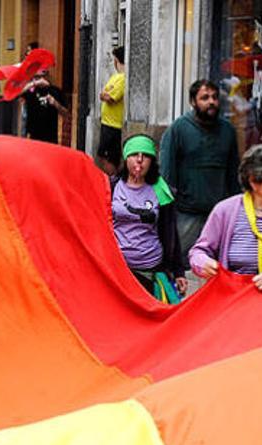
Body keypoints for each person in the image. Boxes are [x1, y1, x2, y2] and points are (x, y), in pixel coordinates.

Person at [190, 144, 262, 295]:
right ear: (254, 181)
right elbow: (198, 252)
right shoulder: (226, 210)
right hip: (235, 303)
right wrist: (203, 263)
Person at [161, 79, 240, 265]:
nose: (211, 102)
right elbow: (167, 173)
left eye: (214, 97)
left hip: (220, 214)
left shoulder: (228, 131)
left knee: (219, 266)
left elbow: (233, 173)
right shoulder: (178, 129)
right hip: (187, 214)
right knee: (180, 264)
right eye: (205, 98)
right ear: (193, 102)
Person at [112, 135, 187, 302]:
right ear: (125, 159)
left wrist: (178, 272)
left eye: (145, 156)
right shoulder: (111, 187)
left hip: (151, 269)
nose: (139, 160)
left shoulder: (161, 191)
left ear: (152, 161)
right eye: (134, 155)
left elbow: (171, 233)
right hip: (118, 269)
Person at [97, 46, 126, 174]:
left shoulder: (122, 78)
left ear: (116, 60)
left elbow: (110, 97)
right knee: (104, 156)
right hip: (107, 123)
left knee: (108, 157)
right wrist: (104, 95)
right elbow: (103, 94)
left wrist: (105, 95)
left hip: (113, 125)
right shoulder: (116, 77)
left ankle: (113, 180)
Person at [22, 70, 68, 144]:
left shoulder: (55, 91)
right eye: (36, 77)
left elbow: (65, 113)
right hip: (33, 136)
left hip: (50, 137)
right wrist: (33, 84)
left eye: (42, 76)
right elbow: (17, 93)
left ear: (47, 76)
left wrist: (55, 103)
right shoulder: (31, 91)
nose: (40, 80)